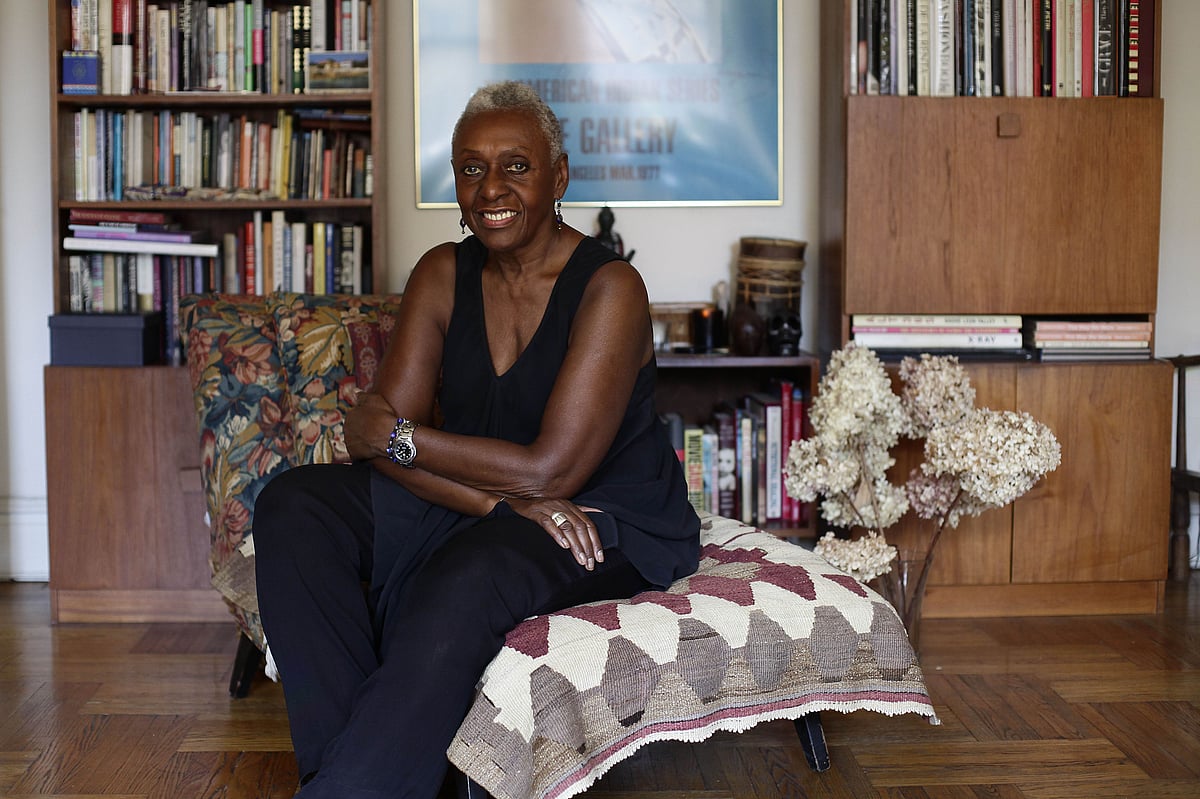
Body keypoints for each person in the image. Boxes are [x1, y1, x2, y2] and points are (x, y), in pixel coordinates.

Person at [253, 80, 701, 798]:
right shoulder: (441, 272)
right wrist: (490, 501)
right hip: (487, 503)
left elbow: (549, 471)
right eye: (470, 167)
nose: (491, 186)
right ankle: (353, 779)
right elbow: (373, 444)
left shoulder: (611, 288)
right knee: (294, 505)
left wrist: (404, 436)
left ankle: (352, 785)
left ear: (558, 176)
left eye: (516, 166)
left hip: (595, 514)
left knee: (469, 575)